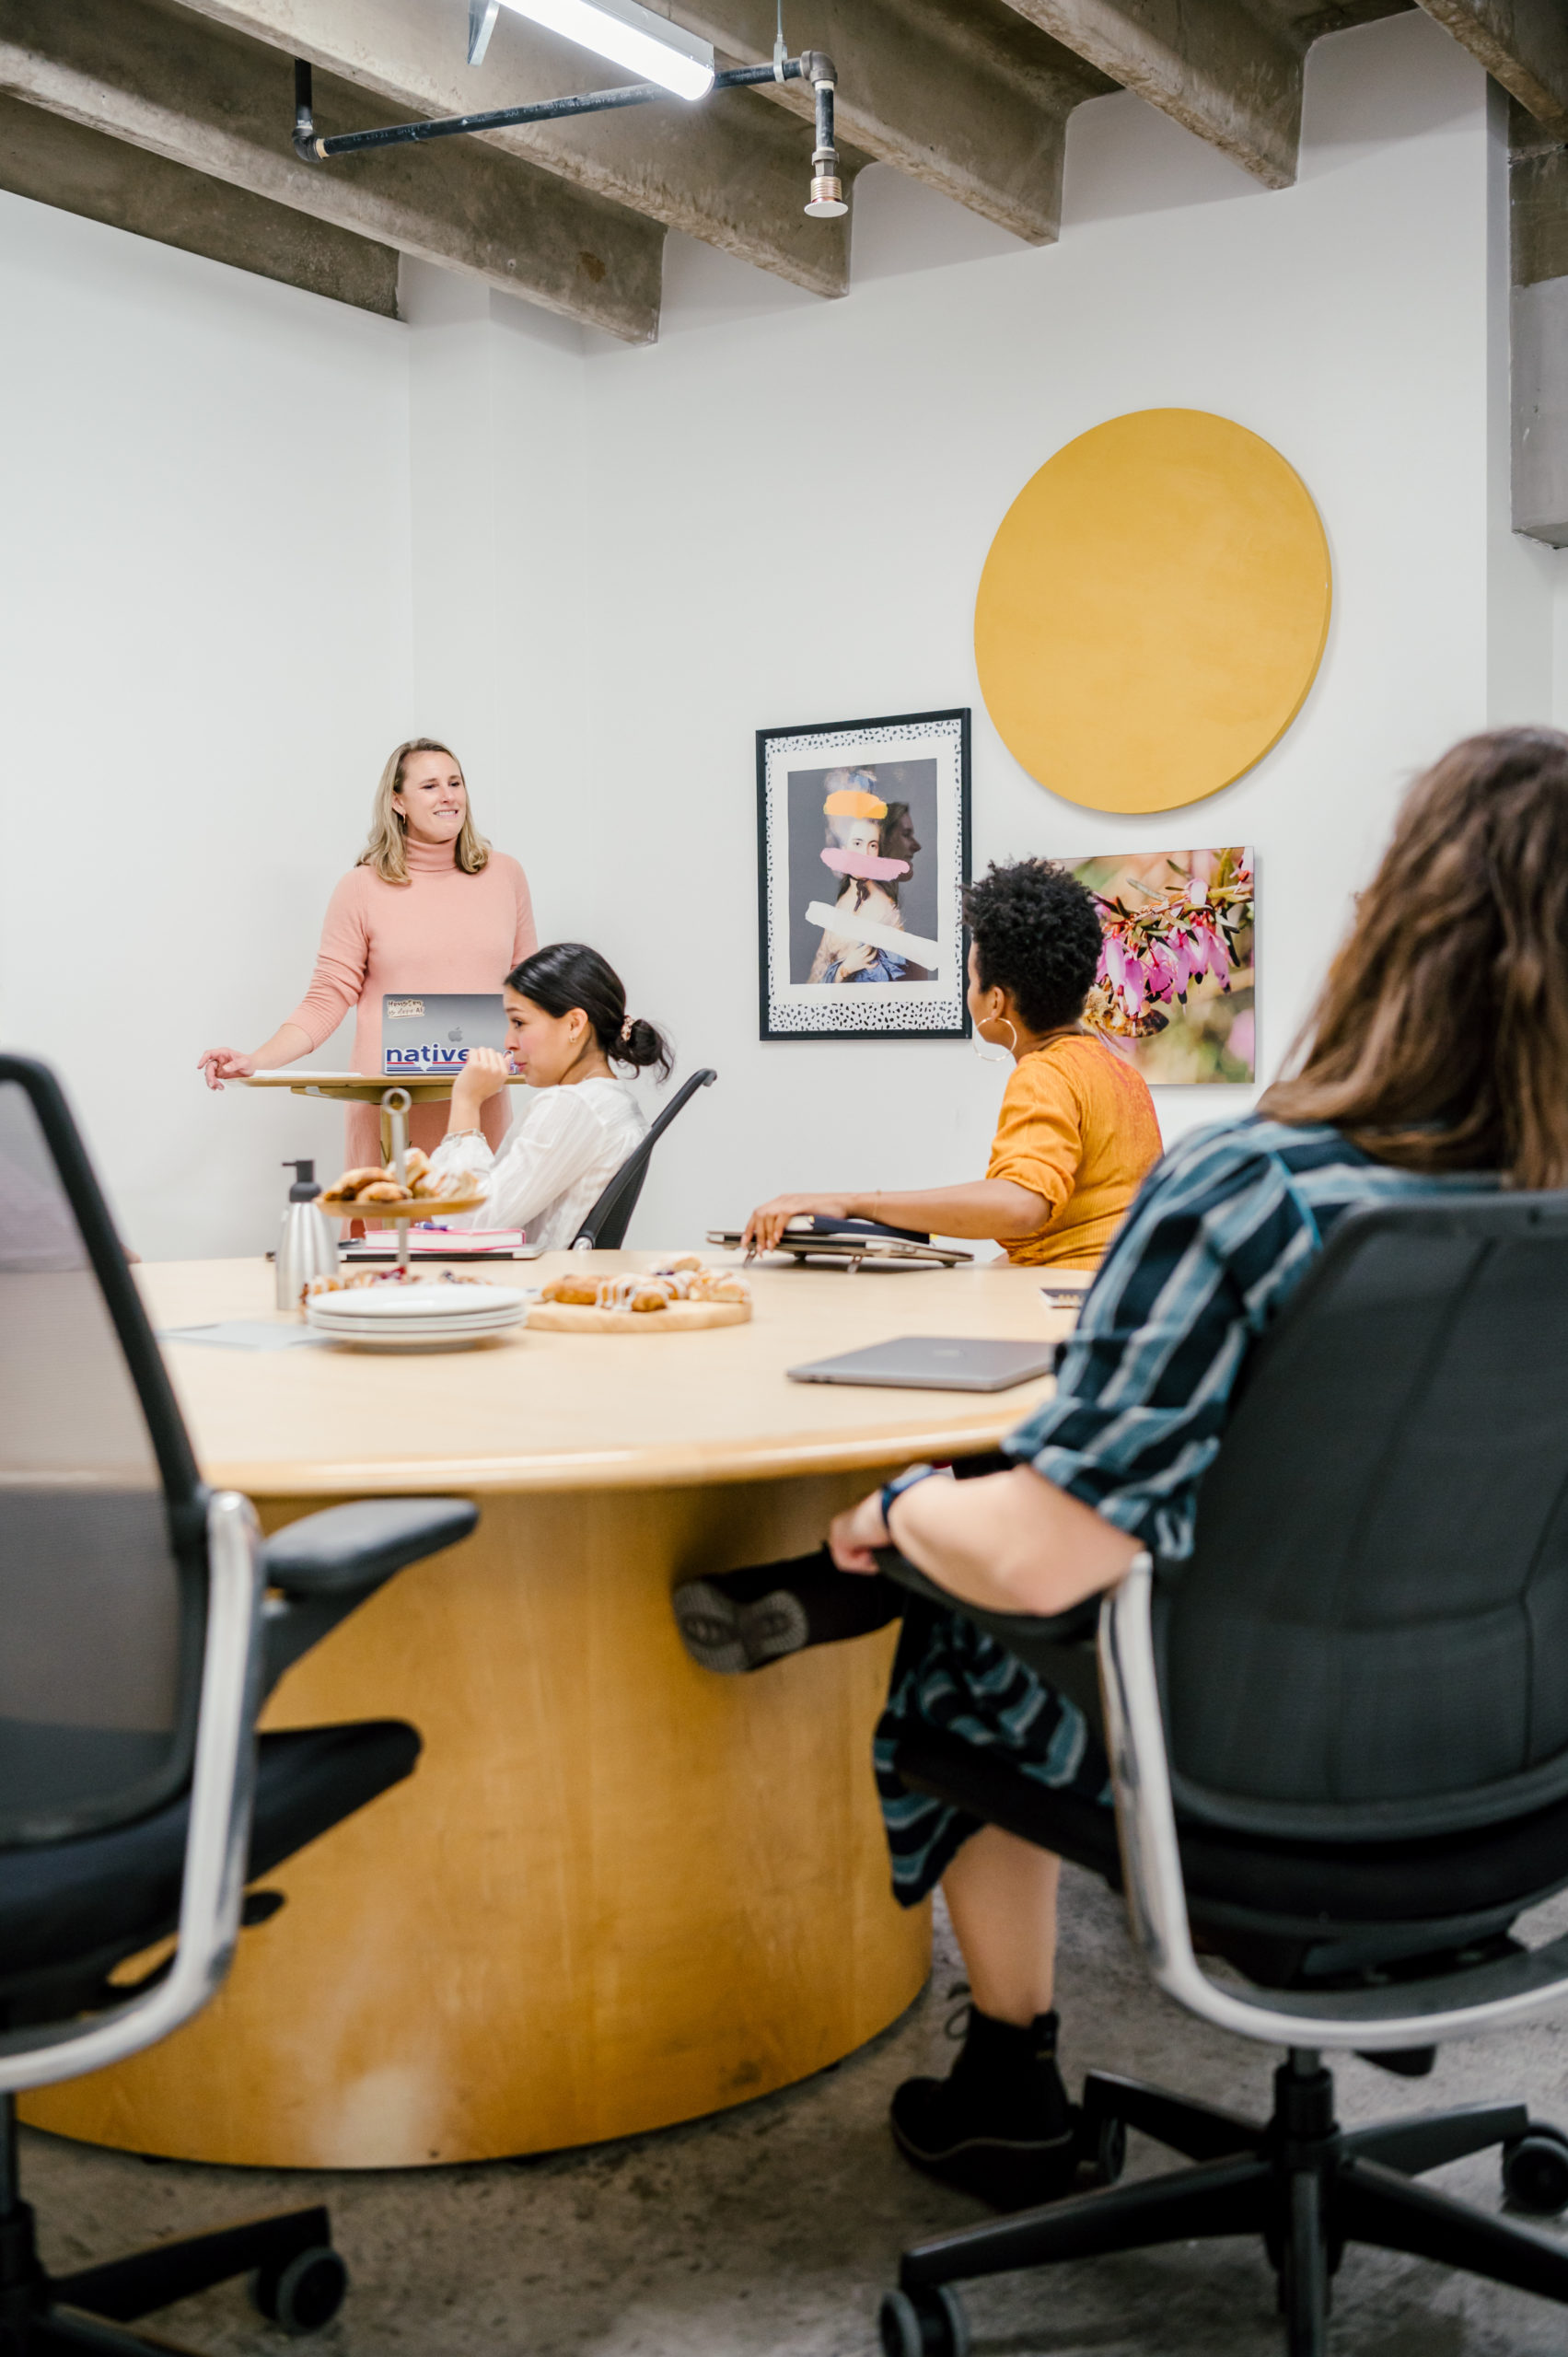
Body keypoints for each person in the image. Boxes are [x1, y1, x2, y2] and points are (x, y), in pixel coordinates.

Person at [811, 726, 1568, 2213]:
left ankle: (1011, 2086)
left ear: (1386, 932)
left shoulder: (1259, 1188)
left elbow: (1041, 1560)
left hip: (1253, 1790)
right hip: (1510, 1784)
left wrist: (900, 1512)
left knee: (956, 1622)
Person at [674, 858, 1161, 1675]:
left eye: (970, 975)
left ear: (995, 1001)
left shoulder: (1044, 1071)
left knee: (966, 1479)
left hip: (1052, 1322)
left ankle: (825, 1591)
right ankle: (813, 1590)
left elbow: (1022, 1203)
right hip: (1103, 1318)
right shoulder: (1113, 1067)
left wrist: (858, 1201)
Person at [196, 739, 537, 1169]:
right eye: (430, 786)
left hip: (481, 1098)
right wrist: (256, 1060)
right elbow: (327, 998)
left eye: (455, 782)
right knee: (387, 1232)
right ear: (398, 801)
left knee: (476, 1226)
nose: (449, 795)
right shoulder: (361, 887)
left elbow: (531, 989)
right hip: (389, 1103)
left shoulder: (505, 875)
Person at [424, 943, 670, 1251]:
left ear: (574, 1024)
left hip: (528, 1290)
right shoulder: (611, 1103)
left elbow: (468, 1227)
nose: (508, 1042)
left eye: (519, 1022)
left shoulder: (571, 1106)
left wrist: (466, 1102)